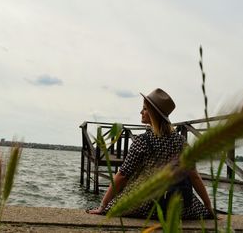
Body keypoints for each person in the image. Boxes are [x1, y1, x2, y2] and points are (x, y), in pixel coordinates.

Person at [87, 88, 214, 219]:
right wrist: (208, 207)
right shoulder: (181, 142)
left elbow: (122, 176)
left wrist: (103, 206)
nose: (141, 112)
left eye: (145, 109)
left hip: (147, 205)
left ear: (153, 113)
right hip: (180, 207)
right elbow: (194, 176)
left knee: (114, 207)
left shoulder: (142, 141)